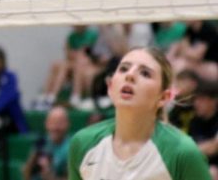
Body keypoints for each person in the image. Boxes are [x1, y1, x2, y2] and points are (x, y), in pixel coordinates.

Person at [67, 47, 209, 180]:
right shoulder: (82, 143)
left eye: (145, 73)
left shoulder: (183, 152)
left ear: (163, 97)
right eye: (123, 69)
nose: (130, 75)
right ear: (110, 87)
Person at [37, 26, 101, 109]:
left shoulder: (92, 34)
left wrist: (76, 54)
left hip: (87, 62)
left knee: (78, 64)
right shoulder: (71, 36)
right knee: (57, 65)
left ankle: (75, 96)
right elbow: (68, 53)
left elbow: (85, 53)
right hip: (74, 61)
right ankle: (48, 96)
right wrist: (75, 54)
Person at [23, 106, 71, 180]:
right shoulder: (41, 142)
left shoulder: (71, 146)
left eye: (60, 122)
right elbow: (26, 173)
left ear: (68, 124)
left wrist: (52, 178)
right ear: (46, 123)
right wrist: (32, 159)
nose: (55, 127)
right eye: (52, 122)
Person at [185, 78, 218, 180]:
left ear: (214, 101)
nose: (197, 103)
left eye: (201, 99)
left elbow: (214, 147)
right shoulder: (194, 121)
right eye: (195, 99)